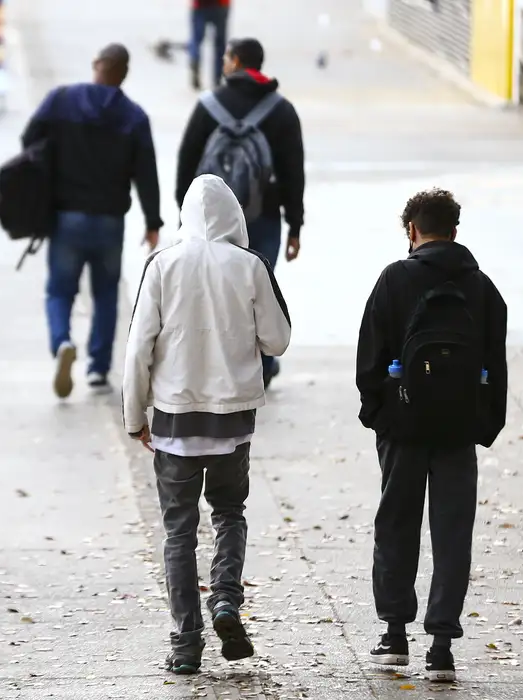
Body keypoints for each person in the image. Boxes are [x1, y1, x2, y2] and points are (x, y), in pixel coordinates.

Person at [122, 175, 291, 676]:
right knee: (229, 513)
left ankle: (186, 642)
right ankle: (225, 602)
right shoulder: (250, 266)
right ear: (234, 217)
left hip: (174, 421)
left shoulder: (162, 266)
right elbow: (277, 340)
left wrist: (135, 416)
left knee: (178, 532)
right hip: (232, 422)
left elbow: (137, 349)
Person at [355, 189, 508, 682]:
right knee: (452, 532)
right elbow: (496, 367)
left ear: (412, 232)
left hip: (403, 429)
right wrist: (484, 426)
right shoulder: (483, 289)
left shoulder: (393, 280)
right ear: (455, 232)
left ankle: (394, 635)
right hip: (458, 431)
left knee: (396, 525)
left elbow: (368, 362)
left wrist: (380, 415)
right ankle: (441, 646)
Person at [22, 43, 163, 399]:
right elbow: (146, 172)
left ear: (97, 64)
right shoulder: (133, 116)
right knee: (105, 295)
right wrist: (153, 221)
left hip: (66, 216)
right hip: (109, 222)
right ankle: (98, 369)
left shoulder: (61, 101)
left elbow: (29, 141)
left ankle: (63, 342)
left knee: (59, 289)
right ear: (124, 74)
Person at [175, 37, 304, 390]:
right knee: (259, 290)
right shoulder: (281, 110)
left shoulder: (208, 106)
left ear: (234, 62)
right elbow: (294, 171)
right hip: (262, 217)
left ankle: (219, 367)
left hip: (210, 221)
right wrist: (295, 224)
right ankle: (261, 366)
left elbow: (186, 161)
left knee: (212, 291)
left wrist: (183, 214)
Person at [188, 0, 230, 90]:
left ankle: (195, 58)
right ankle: (217, 78)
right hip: (221, 5)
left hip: (199, 5)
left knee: (196, 39)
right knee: (219, 43)